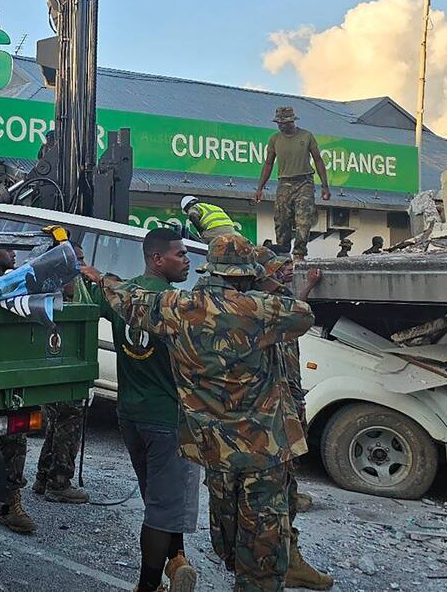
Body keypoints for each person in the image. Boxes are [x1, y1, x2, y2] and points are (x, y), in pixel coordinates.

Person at [80, 234, 321, 592]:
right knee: (263, 545)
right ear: (246, 274)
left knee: (228, 538)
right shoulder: (262, 309)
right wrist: (265, 283)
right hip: (263, 450)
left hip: (215, 450)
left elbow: (128, 298)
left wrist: (101, 277)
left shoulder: (179, 306)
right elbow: (303, 314)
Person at [95, 228, 200, 592]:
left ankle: (177, 558)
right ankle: (148, 585)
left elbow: (91, 296)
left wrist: (91, 274)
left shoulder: (122, 295)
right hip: (166, 419)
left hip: (130, 414)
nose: (187, 260)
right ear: (158, 259)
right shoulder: (177, 304)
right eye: (180, 254)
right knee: (162, 507)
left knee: (159, 496)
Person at [250, 247, 332, 590]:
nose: (285, 272)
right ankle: (279, 562)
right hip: (269, 420)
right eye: (278, 269)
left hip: (284, 409)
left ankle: (280, 559)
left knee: (280, 493)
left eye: (287, 267)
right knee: (272, 498)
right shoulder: (260, 311)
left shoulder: (278, 303)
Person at [35, 242, 89, 504]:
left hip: (57, 371)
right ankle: (59, 482)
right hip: (61, 371)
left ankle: (44, 477)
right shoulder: (54, 296)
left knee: (57, 423)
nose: (81, 267)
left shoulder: (49, 292)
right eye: (77, 260)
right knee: (68, 421)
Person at [0, 247, 38, 535]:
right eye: (8, 249)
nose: (14, 253)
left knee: (14, 435)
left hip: (8, 372)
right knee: (11, 437)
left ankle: (9, 500)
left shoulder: (12, 283)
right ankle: (6, 501)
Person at [253, 107, 331, 258]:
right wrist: (260, 188)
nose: (281, 126)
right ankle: (283, 252)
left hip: (304, 182)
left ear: (292, 121)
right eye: (279, 123)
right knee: (282, 219)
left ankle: (299, 254)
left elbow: (318, 160)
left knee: (303, 219)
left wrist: (325, 186)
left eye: (284, 123)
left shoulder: (306, 136)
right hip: (284, 183)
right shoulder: (275, 139)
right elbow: (268, 164)